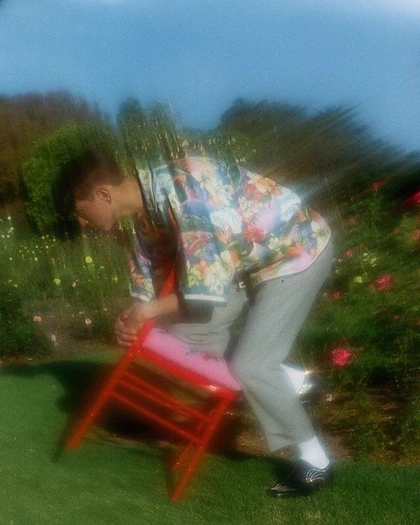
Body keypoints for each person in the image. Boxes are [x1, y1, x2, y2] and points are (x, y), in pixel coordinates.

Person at [56, 151, 333, 497]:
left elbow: (205, 292)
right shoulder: (146, 211)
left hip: (296, 250)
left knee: (252, 365)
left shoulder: (189, 198)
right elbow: (147, 277)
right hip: (248, 262)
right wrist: (132, 319)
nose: (82, 223)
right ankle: (295, 381)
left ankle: (315, 462)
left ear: (103, 195)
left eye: (80, 212)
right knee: (185, 334)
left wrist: (147, 312)